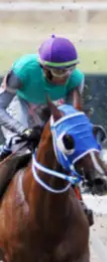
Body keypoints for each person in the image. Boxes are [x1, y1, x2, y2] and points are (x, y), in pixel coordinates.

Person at [0, 35, 94, 225]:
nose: (62, 78)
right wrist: (22, 130)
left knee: (64, 151)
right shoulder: (23, 70)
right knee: (21, 147)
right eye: (56, 72)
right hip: (21, 105)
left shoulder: (76, 79)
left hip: (51, 108)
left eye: (67, 71)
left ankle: (79, 202)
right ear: (42, 67)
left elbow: (69, 118)